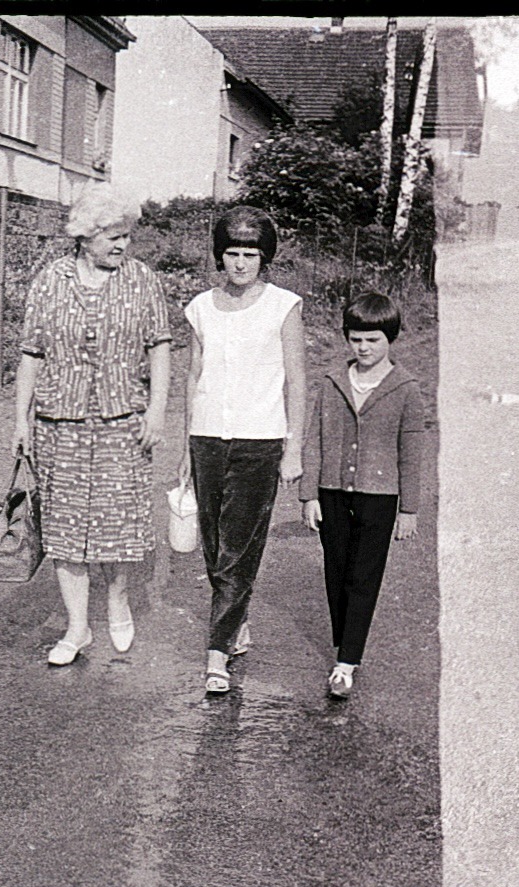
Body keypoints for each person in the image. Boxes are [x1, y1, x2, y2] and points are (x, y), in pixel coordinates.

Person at [13, 183, 172, 666]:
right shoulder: (50, 281)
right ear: (85, 236)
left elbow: (160, 346)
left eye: (127, 236)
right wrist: (19, 420)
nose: (122, 245)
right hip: (59, 422)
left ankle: (118, 600)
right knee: (64, 525)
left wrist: (158, 409)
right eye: (112, 237)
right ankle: (77, 628)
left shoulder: (141, 280)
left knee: (119, 522)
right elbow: (30, 355)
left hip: (123, 419)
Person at [183, 206, 306, 696]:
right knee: (214, 545)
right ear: (220, 256)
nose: (239, 264)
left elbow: (297, 378)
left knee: (239, 546)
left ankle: (217, 654)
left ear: (264, 258)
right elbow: (193, 377)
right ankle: (235, 620)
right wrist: (182, 449)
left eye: (249, 255)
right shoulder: (200, 307)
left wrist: (293, 448)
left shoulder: (284, 306)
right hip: (207, 437)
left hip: (260, 439)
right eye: (231, 253)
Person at [300, 292, 425, 699]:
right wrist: (308, 494)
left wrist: (409, 508)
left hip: (379, 496)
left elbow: (411, 452)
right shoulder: (332, 382)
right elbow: (314, 440)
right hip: (332, 491)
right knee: (336, 573)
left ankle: (346, 662)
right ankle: (346, 644)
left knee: (363, 577)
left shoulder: (405, 389)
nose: (364, 348)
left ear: (390, 339)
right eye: (356, 339)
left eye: (372, 340)